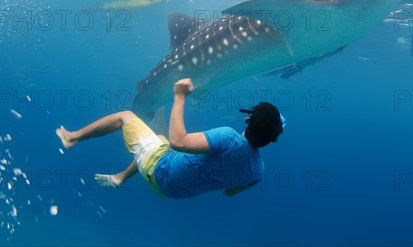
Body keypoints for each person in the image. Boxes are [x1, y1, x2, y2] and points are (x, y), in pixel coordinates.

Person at [55, 78, 285, 199]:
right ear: (272, 140)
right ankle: (121, 177)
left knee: (125, 117)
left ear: (247, 121)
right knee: (160, 139)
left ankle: (72, 138)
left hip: (160, 172)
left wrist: (179, 96)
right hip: (175, 193)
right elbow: (229, 192)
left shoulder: (228, 138)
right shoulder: (257, 172)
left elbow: (179, 141)